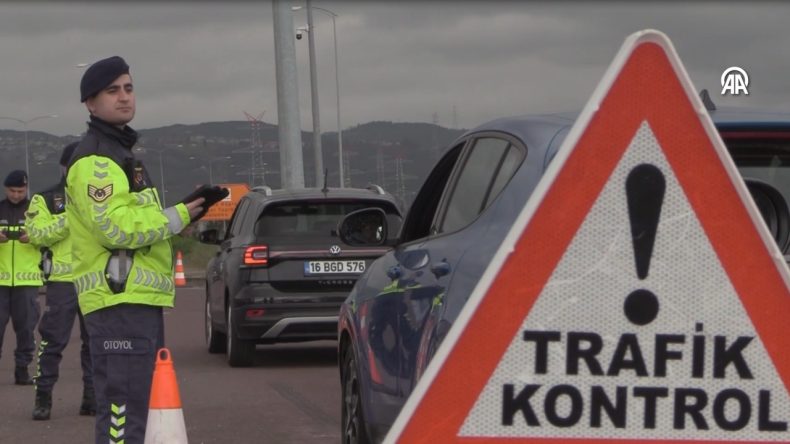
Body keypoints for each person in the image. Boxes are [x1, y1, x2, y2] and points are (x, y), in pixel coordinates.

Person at [65, 56, 204, 443]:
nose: (124, 97)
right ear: (90, 104)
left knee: (136, 412)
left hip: (133, 301)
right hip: (117, 303)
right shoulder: (97, 159)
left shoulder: (122, 154)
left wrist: (183, 214)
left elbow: (136, 223)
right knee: (122, 417)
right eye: (112, 91)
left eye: (128, 88)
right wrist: (176, 216)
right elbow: (115, 229)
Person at [26, 142, 95, 420]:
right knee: (52, 341)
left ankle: (91, 398)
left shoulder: (98, 196)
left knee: (94, 342)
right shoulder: (45, 199)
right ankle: (43, 397)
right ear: (65, 167)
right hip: (62, 281)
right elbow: (37, 234)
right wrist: (70, 219)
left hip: (93, 280)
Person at [0, 169, 42, 385]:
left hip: (27, 281)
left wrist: (33, 237)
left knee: (25, 328)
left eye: (20, 190)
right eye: (12, 190)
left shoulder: (35, 211)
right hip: (1, 280)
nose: (16, 195)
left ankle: (22, 368)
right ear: (6, 189)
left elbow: (49, 237)